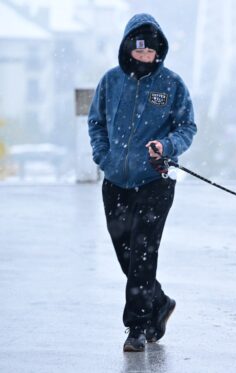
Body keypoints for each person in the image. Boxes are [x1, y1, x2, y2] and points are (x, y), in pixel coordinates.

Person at [88, 13, 197, 352]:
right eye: (139, 52)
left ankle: (136, 328)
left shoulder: (172, 84)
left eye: (150, 52)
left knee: (144, 250)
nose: (144, 57)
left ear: (158, 52)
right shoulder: (110, 82)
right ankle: (159, 302)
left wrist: (165, 146)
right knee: (126, 252)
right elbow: (96, 123)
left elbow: (187, 129)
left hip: (156, 180)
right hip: (116, 181)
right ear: (127, 49)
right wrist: (103, 157)